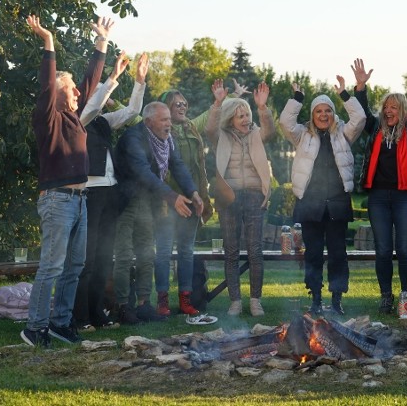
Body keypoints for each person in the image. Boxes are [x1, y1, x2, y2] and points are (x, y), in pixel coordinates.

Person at [22, 14, 113, 348]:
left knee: (75, 265)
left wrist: (101, 42)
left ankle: (61, 323)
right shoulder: (48, 119)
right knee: (52, 266)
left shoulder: (74, 118)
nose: (77, 91)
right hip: (57, 199)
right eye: (69, 87)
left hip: (80, 200)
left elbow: (90, 81)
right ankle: (35, 327)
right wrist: (48, 41)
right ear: (56, 92)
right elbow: (47, 84)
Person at [73, 51, 148, 331]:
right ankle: (79, 318)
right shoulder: (77, 118)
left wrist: (139, 82)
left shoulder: (102, 122)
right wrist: (113, 76)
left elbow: (132, 112)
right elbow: (93, 105)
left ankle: (97, 314)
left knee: (104, 257)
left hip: (109, 194)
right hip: (89, 194)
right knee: (88, 259)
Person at [279, 78, 365, 315]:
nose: (324, 114)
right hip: (310, 203)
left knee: (338, 254)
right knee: (314, 254)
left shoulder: (343, 133)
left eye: (328, 110)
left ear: (333, 113)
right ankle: (316, 299)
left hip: (337, 203)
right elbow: (285, 122)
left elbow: (360, 118)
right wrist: (297, 98)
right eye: (319, 110)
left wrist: (346, 96)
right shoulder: (302, 134)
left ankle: (337, 299)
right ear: (312, 114)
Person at [113, 102, 204, 324]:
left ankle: (144, 304)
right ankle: (123, 306)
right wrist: (172, 197)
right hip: (122, 202)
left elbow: (178, 165)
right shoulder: (133, 139)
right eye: (164, 120)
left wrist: (194, 192)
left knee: (147, 253)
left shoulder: (167, 141)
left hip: (145, 201)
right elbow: (143, 172)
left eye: (169, 120)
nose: (169, 124)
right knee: (124, 255)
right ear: (148, 122)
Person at [354, 59, 407, 314]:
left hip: (406, 197)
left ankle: (406, 296)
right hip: (378, 197)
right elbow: (362, 113)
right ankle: (386, 295)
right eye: (386, 107)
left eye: (394, 107)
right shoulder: (375, 129)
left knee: (405, 250)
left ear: (403, 109)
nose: (388, 111)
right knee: (383, 250)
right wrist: (361, 88)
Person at [206, 79, 275, 317]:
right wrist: (217, 103)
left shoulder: (257, 134)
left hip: (255, 196)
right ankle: (235, 301)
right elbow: (209, 129)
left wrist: (262, 108)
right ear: (230, 120)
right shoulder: (221, 136)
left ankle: (255, 300)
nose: (246, 119)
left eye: (247, 114)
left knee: (255, 250)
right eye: (240, 116)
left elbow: (270, 131)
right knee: (232, 251)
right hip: (230, 198)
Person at [152, 88, 214, 317]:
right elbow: (138, 118)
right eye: (176, 104)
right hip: (167, 200)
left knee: (187, 251)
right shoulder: (159, 131)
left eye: (184, 103)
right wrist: (114, 105)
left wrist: (219, 100)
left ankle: (186, 300)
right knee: (164, 252)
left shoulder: (191, 127)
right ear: (165, 109)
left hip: (191, 198)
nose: (182, 107)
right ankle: (162, 301)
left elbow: (209, 114)